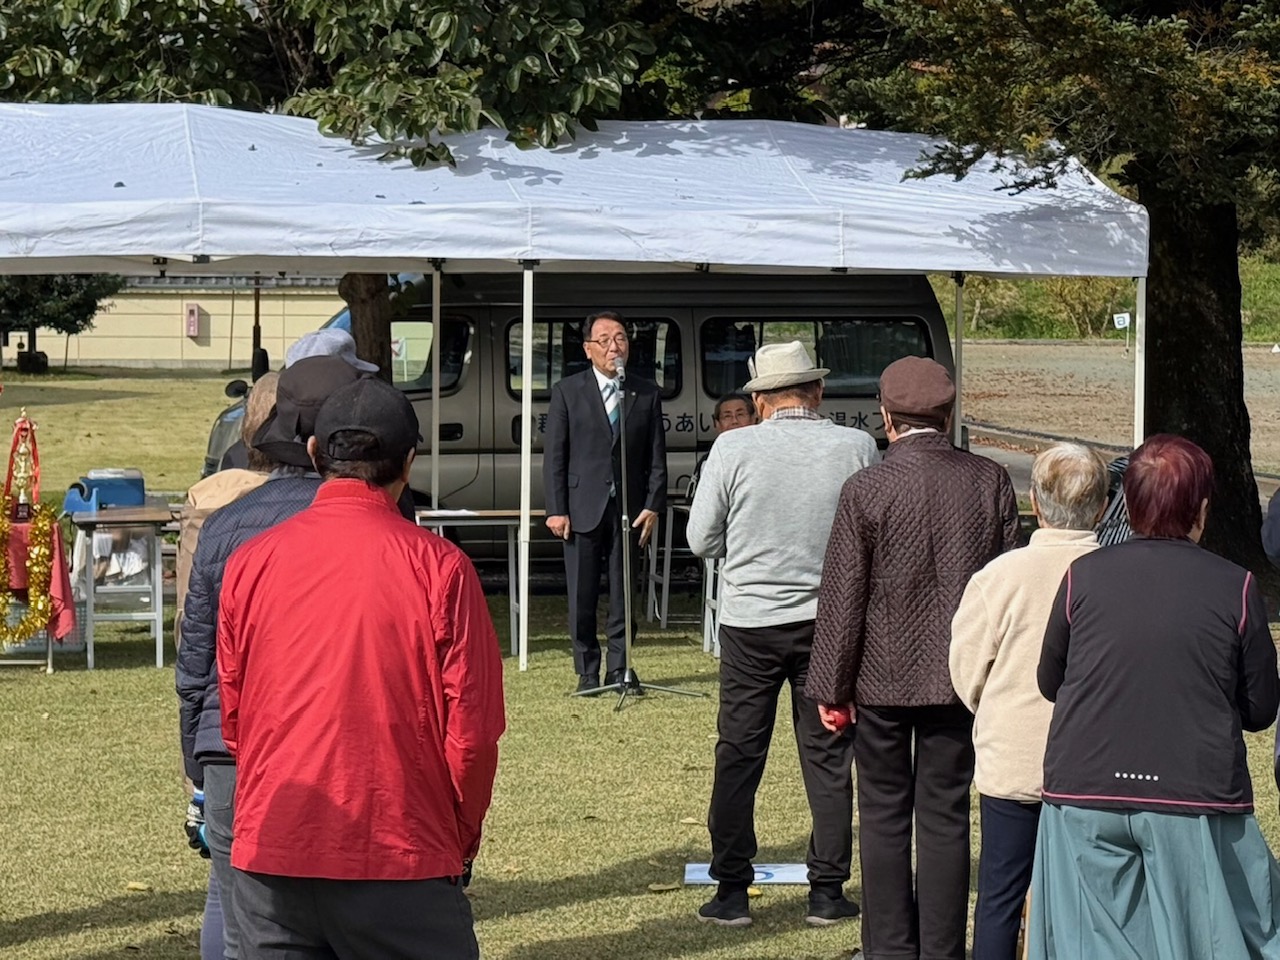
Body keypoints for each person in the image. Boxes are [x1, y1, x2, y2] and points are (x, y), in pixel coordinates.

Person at [218, 376, 505, 959]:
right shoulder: (440, 568)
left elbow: (235, 715)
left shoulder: (251, 562)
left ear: (317, 454)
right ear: (409, 462)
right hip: (399, 851)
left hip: (276, 848)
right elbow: (471, 733)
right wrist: (458, 836)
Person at [1030, 434, 1280, 959]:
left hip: (1086, 788)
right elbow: (1259, 709)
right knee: (1205, 940)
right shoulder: (1234, 586)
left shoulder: (1084, 576)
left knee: (1090, 945)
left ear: (1129, 503)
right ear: (1201, 510)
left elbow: (1051, 681)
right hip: (1192, 794)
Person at [807, 355, 1020, 960]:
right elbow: (1004, 585)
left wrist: (831, 687)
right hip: (961, 677)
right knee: (946, 817)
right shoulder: (989, 481)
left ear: (885, 417)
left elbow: (843, 595)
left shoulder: (867, 487)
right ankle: (943, 949)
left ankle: (892, 949)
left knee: (881, 818)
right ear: (949, 415)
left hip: (881, 680)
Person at [175, 356, 362, 960]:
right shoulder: (371, 524)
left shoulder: (225, 521)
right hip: (326, 752)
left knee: (239, 921)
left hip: (232, 752)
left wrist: (200, 766)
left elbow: (194, 662)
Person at [687, 341, 878, 928]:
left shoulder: (733, 447)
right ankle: (826, 891)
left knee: (740, 753)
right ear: (817, 392)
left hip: (750, 622)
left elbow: (700, 539)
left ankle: (732, 890)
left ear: (760, 399)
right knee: (827, 756)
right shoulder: (856, 446)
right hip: (830, 622)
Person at [949, 442, 1108, 960]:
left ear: (1035, 502)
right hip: (1096, 764)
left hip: (1014, 758)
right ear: (1103, 507)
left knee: (999, 897)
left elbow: (967, 672)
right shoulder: (1118, 575)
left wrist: (999, 708)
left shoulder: (998, 577)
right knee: (1093, 903)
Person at [175, 370, 278, 960]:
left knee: (226, 882)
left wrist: (193, 754)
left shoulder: (207, 502)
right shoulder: (296, 506)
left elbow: (192, 640)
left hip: (220, 725)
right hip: (263, 719)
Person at [543, 310, 667, 694]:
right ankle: (586, 670)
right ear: (588, 349)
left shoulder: (645, 392)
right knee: (582, 593)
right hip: (582, 505)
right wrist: (556, 509)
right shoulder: (568, 391)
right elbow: (555, 457)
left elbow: (656, 456)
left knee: (624, 591)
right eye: (605, 340)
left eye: (621, 338)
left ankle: (621, 668)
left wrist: (653, 503)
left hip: (629, 508)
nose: (614, 346)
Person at [687, 392, 756, 499]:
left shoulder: (764, 456)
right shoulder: (708, 461)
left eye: (740, 414)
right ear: (717, 424)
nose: (734, 421)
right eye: (727, 416)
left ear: (753, 419)